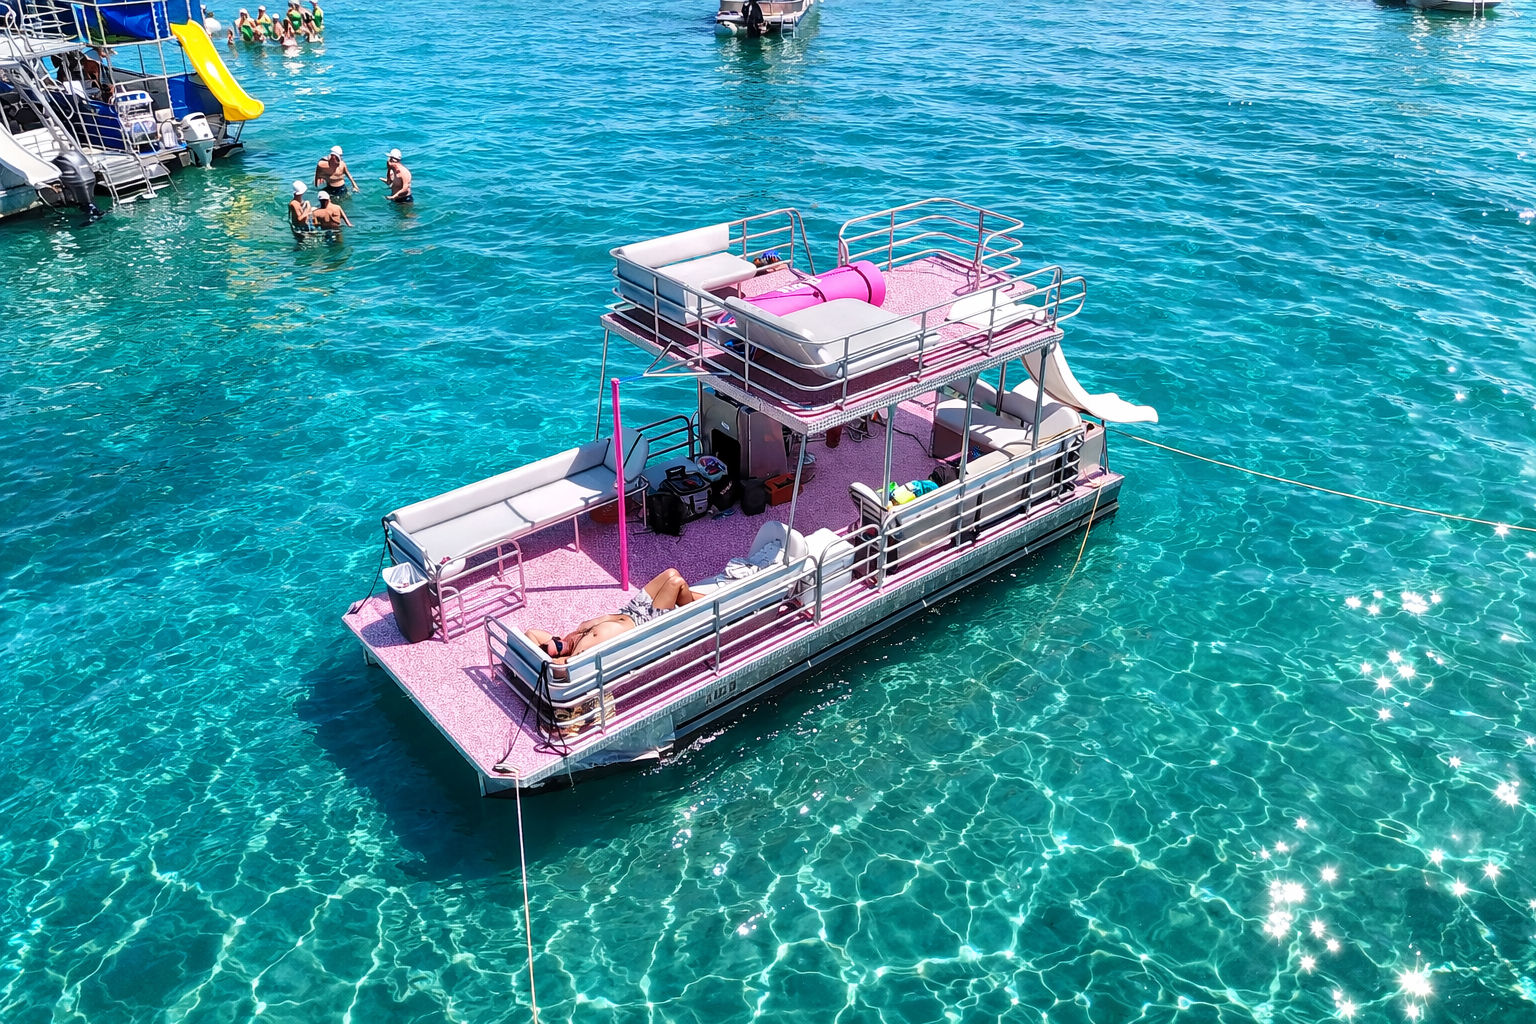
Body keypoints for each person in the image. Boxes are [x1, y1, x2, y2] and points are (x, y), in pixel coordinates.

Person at [525, 570, 703, 661]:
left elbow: (530, 633)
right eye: (558, 648)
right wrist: (545, 660)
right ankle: (702, 613)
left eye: (555, 641)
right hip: (645, 622)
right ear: (560, 656)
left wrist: (541, 650)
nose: (560, 643)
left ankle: (696, 601)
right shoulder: (578, 653)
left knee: (671, 572)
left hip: (631, 609)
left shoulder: (570, 637)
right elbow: (556, 667)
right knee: (676, 582)